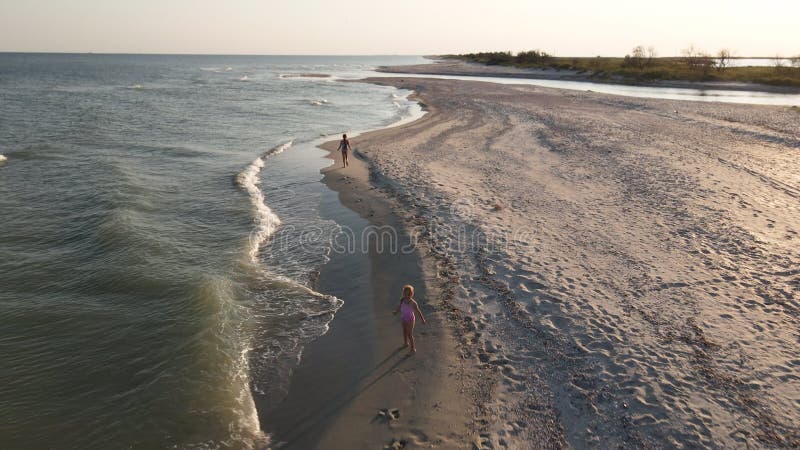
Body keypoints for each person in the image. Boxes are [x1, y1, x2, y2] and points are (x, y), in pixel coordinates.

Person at [393, 285, 426, 353]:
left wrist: (422, 319)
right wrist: (396, 312)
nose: (406, 296)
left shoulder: (413, 303)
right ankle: (405, 343)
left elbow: (418, 311)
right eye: (405, 294)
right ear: (403, 293)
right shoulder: (402, 300)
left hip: (410, 319)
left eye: (408, 294)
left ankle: (413, 348)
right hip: (403, 318)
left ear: (411, 294)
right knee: (404, 331)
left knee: (409, 334)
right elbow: (399, 307)